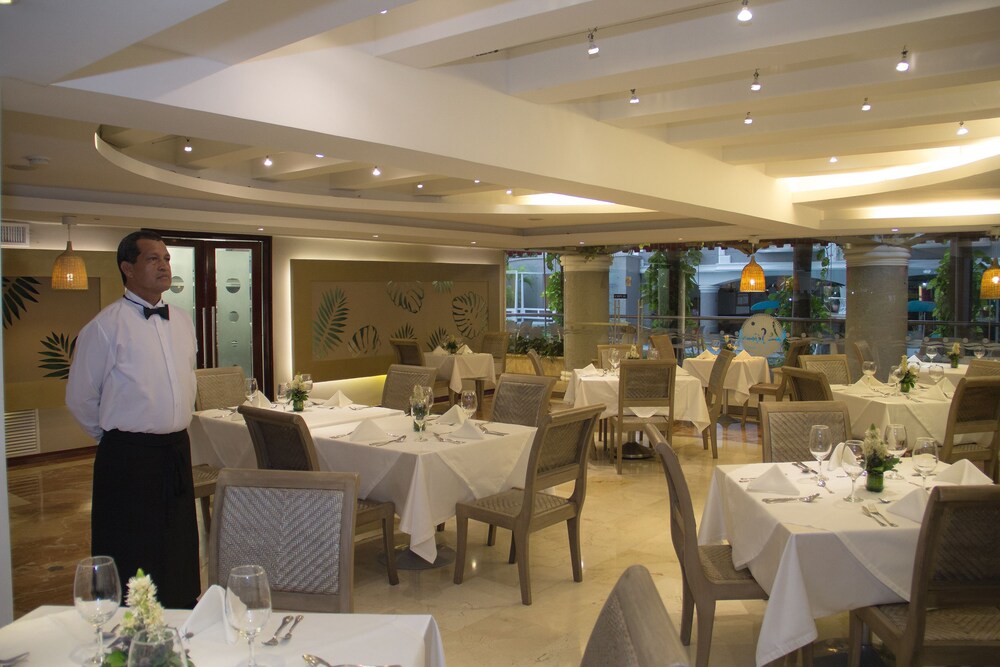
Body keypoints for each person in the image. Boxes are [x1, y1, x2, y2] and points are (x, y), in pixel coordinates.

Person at [66, 230, 200, 608]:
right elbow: (80, 398)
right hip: (129, 455)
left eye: (166, 258)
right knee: (131, 542)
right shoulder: (104, 327)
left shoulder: (183, 320)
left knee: (176, 543)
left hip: (176, 449)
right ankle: (130, 623)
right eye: (153, 259)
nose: (164, 265)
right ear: (128, 268)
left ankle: (179, 611)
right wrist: (117, 440)